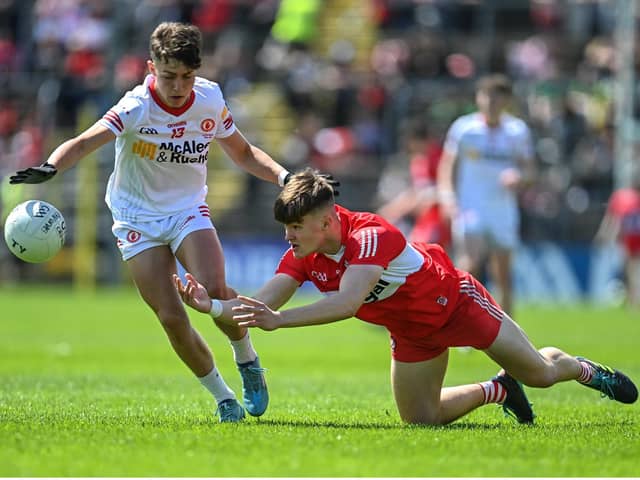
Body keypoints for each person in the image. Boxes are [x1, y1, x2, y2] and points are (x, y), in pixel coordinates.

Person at [174, 169, 637, 426]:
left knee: (539, 373)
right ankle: (497, 389)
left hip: (457, 304)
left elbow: (346, 304)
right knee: (421, 420)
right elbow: (262, 304)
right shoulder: (304, 251)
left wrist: (279, 322)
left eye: (296, 226)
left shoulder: (371, 235)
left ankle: (582, 369)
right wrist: (211, 306)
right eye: (286, 227)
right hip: (412, 331)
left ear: (327, 220)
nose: (288, 235)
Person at [9, 22, 299, 423]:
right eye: (168, 76)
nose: (178, 86)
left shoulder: (210, 99)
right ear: (151, 68)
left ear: (197, 71)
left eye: (187, 76)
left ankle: (247, 360)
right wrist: (50, 166)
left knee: (215, 289)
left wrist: (285, 177)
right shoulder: (135, 107)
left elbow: (244, 153)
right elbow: (84, 141)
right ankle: (223, 397)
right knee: (170, 316)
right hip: (136, 219)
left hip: (186, 210)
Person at [437, 74, 535, 316]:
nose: (491, 102)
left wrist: (520, 178)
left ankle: (510, 335)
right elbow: (447, 165)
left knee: (503, 274)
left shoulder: (517, 131)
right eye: (486, 97)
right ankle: (459, 323)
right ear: (478, 99)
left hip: (502, 208)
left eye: (496, 98)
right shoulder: (465, 129)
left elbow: (530, 170)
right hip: (471, 205)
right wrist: (447, 196)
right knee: (470, 263)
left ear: (506, 101)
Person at [377, 118, 451, 251]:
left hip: (441, 219)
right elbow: (418, 192)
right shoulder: (418, 161)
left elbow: (433, 193)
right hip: (425, 219)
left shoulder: (441, 158)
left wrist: (397, 209)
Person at [594, 175, 640, 309]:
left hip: (629, 238)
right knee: (631, 270)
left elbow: (614, 220)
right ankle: (633, 300)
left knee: (631, 270)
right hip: (630, 238)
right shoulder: (626, 198)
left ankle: (633, 300)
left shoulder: (621, 197)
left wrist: (605, 235)